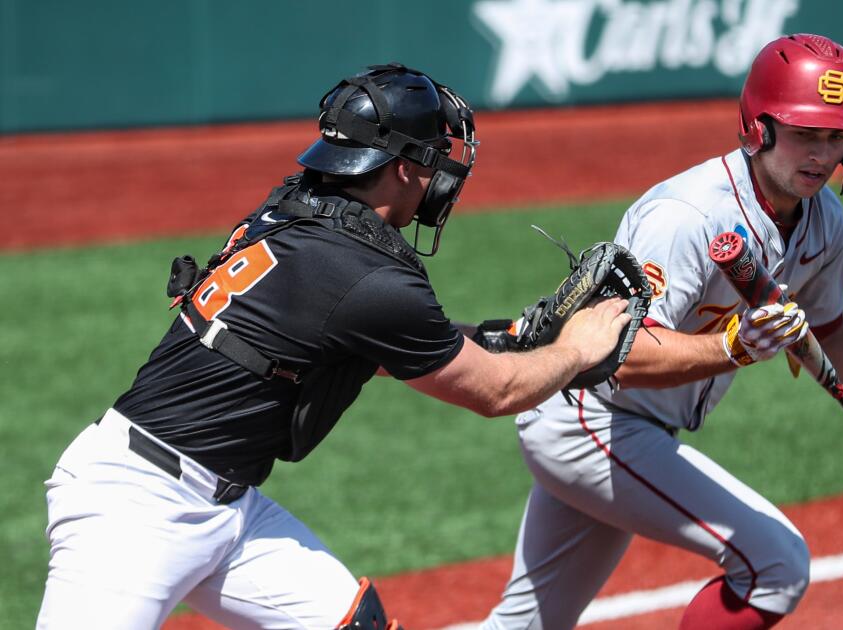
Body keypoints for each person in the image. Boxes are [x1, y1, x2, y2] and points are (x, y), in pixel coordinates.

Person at [36, 63, 632, 630]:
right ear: (401, 168)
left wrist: (506, 338)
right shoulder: (369, 275)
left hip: (227, 506)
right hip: (135, 508)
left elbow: (369, 343)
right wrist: (577, 347)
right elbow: (496, 392)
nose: (440, 177)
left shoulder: (295, 209)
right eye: (434, 159)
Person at [482, 34, 843, 629]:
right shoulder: (687, 217)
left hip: (629, 425)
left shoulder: (824, 219)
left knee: (525, 625)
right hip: (587, 418)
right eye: (805, 133)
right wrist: (732, 348)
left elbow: (827, 329)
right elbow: (619, 355)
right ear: (760, 128)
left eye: (836, 137)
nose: (822, 154)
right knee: (776, 563)